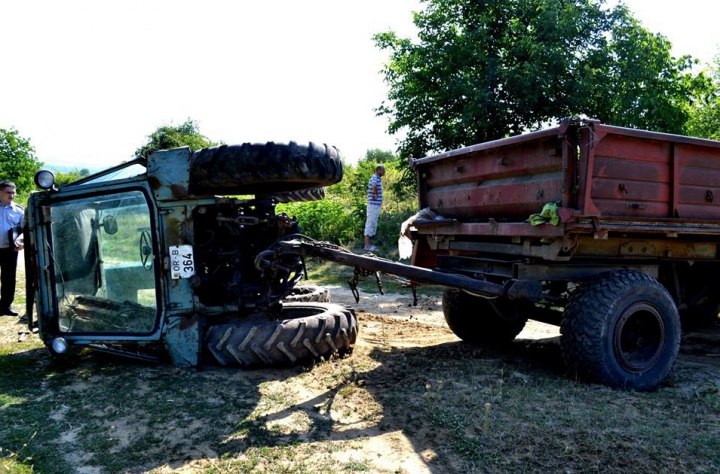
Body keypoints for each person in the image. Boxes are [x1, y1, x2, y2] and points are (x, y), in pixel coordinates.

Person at [0, 181, 24, 316]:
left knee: (9, 279)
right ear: (0, 192)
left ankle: (5, 306)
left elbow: (24, 229)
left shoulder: (19, 211)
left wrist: (22, 242)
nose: (12, 195)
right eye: (8, 192)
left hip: (9, 250)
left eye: (13, 192)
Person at [364, 164, 385, 252]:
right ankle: (367, 246)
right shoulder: (375, 178)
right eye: (383, 170)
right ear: (379, 170)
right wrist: (375, 194)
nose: (384, 172)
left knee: (372, 223)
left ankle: (368, 244)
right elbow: (373, 186)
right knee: (370, 224)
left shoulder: (377, 178)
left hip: (374, 205)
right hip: (373, 205)